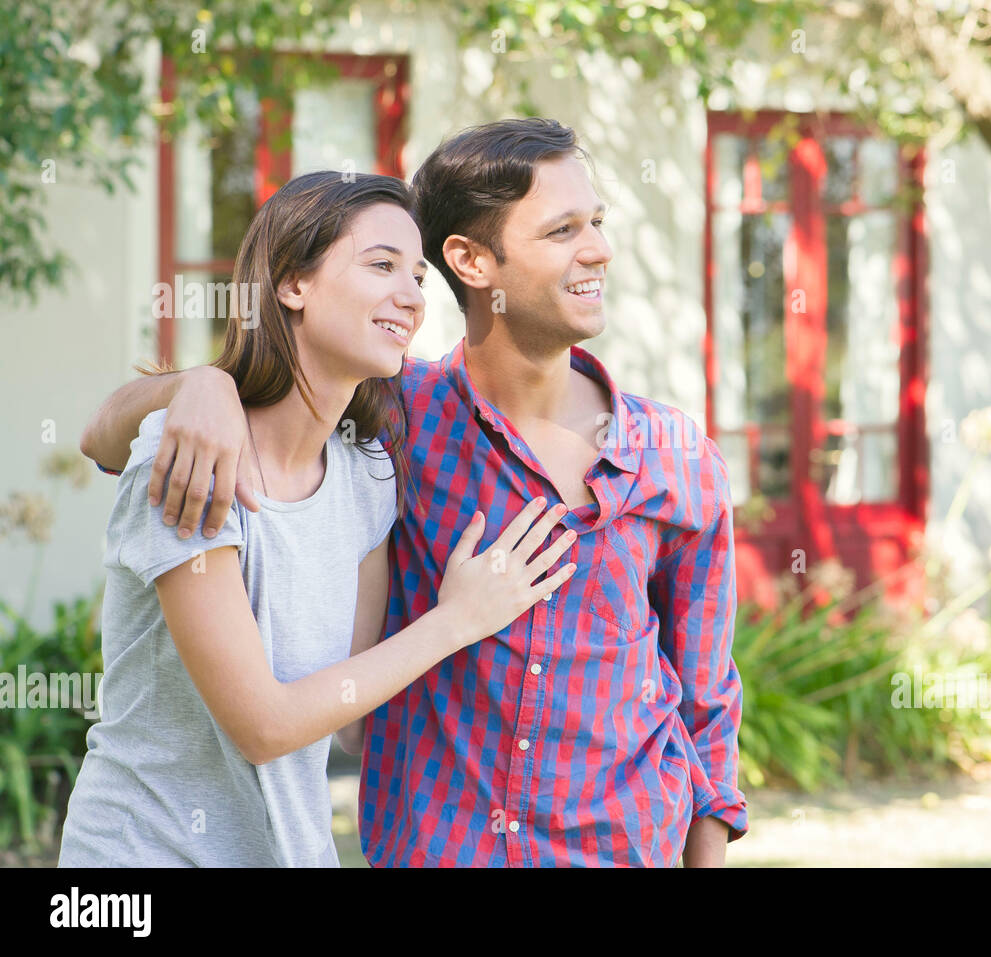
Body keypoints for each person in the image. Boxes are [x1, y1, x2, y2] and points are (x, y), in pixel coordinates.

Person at [80, 118, 748, 867]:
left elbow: (707, 698)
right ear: (472, 259)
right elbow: (104, 437)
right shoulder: (390, 427)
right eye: (562, 229)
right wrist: (197, 384)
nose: (598, 248)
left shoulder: (670, 457)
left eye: (595, 223)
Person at [62, 170, 575, 867]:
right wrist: (456, 619)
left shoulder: (366, 477)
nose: (411, 297)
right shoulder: (192, 457)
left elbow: (352, 723)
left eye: (418, 277)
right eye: (381, 265)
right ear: (292, 284)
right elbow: (264, 726)